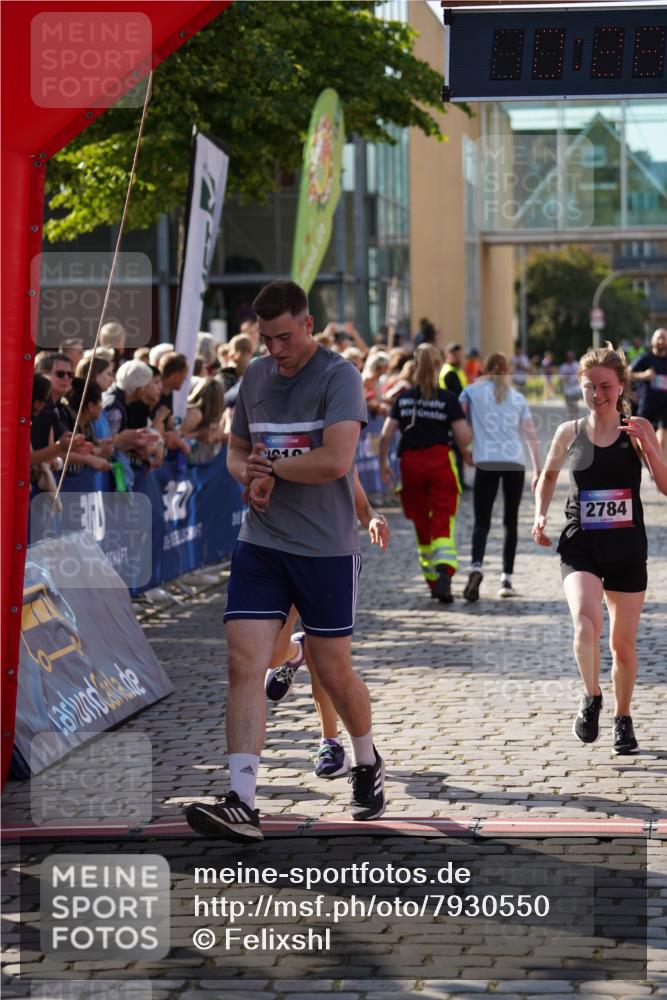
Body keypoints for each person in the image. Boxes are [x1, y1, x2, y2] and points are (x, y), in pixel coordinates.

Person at [185, 279, 387, 843]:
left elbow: (335, 459)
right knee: (244, 663)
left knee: (331, 670)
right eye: (265, 338)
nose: (275, 349)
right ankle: (241, 799)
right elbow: (236, 451)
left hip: (326, 547)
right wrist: (248, 474)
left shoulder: (339, 376)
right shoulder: (253, 376)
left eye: (284, 337)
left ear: (309, 323)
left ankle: (366, 759)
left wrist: (271, 468)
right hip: (262, 542)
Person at [533, 343, 667, 754]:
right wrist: (538, 515)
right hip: (581, 545)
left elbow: (664, 485)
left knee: (622, 647)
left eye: (606, 386)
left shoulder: (635, 430)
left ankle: (622, 717)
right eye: (590, 387)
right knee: (585, 623)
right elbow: (548, 477)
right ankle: (591, 697)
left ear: (622, 386)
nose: (598, 395)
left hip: (627, 547)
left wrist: (651, 443)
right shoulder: (569, 432)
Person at [263, 469, 390, 778]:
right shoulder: (278, 440)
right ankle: (295, 653)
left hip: (329, 557)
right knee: (268, 655)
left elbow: (360, 501)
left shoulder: (338, 441)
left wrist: (373, 517)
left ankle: (330, 742)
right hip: (280, 555)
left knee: (328, 659)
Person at [379, 344, 471, 602]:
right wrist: (467, 448)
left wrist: (382, 464)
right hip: (440, 460)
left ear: (415, 367)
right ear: (439, 366)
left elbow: (386, 434)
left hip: (410, 463)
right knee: (443, 515)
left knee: (421, 520)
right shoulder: (447, 399)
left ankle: (432, 582)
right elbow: (463, 436)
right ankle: (444, 571)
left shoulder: (404, 398)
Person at [459, 352, 541, 601]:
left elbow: (460, 423)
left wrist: (465, 450)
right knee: (510, 521)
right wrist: (538, 470)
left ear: (484, 369)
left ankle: (476, 566)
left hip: (487, 461)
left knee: (482, 521)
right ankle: (506, 578)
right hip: (514, 462)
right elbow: (531, 436)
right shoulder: (517, 397)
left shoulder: (471, 392)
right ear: (507, 371)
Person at [629, 328, 667, 459]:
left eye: (664, 337)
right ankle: (642, 461)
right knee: (640, 441)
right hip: (647, 405)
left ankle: (660, 467)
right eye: (658, 337)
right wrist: (644, 375)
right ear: (652, 341)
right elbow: (627, 374)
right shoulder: (645, 358)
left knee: (662, 435)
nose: (661, 340)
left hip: (664, 405)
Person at [559, 350, 581, 419]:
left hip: (576, 389)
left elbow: (582, 375)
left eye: (572, 357)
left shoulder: (577, 365)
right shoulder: (563, 367)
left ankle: (575, 417)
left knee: (574, 405)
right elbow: (561, 379)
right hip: (567, 390)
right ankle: (572, 418)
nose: (570, 358)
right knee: (569, 406)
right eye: (569, 357)